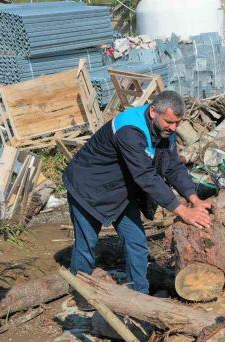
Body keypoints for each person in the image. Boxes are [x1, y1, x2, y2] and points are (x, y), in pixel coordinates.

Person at [63, 90, 211, 294]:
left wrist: (194, 200)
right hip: (88, 188)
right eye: (169, 122)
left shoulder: (165, 130)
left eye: (177, 123)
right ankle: (80, 294)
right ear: (153, 112)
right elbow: (146, 176)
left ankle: (139, 296)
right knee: (87, 244)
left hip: (121, 191)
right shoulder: (129, 130)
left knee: (136, 243)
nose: (174, 127)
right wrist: (183, 212)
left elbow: (173, 167)